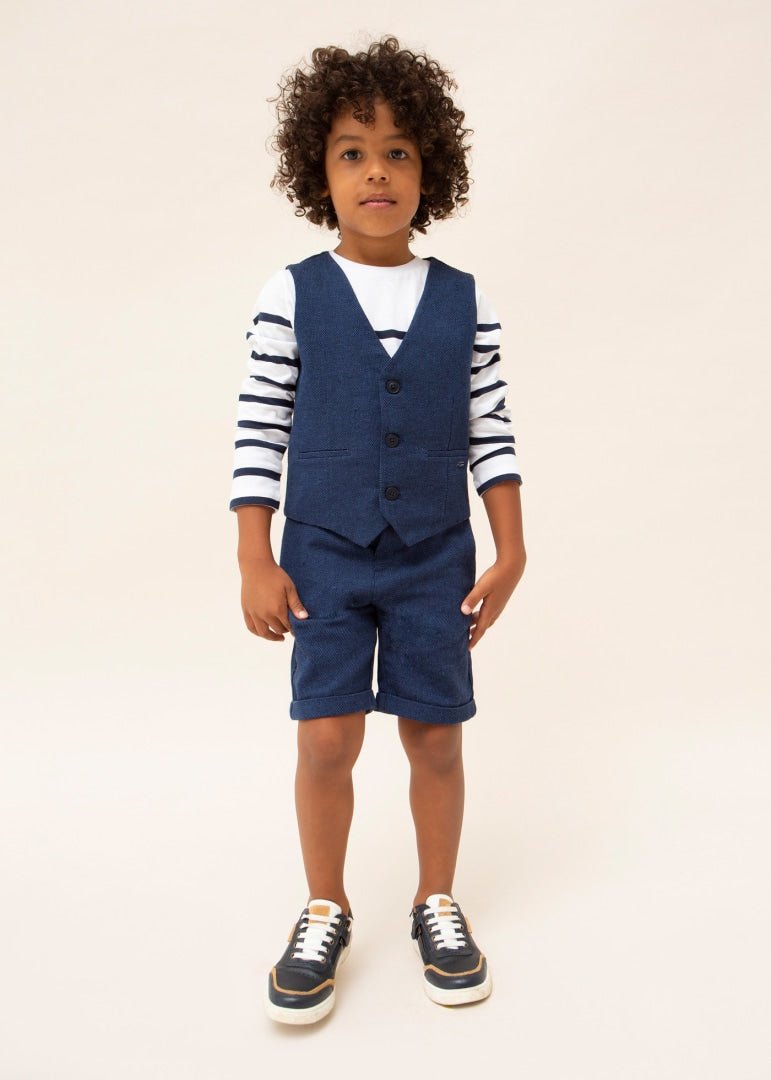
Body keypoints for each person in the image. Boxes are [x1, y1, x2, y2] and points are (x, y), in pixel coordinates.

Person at [229, 36, 526, 1025]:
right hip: (321, 552)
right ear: (316, 172)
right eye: (352, 152)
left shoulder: (465, 299)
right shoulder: (292, 293)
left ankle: (436, 900)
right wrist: (254, 555)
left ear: (430, 168)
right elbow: (260, 427)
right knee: (325, 737)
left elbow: (490, 428)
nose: (377, 172)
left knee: (435, 735)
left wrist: (512, 547)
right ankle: (325, 905)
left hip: (436, 555)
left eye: (398, 151)